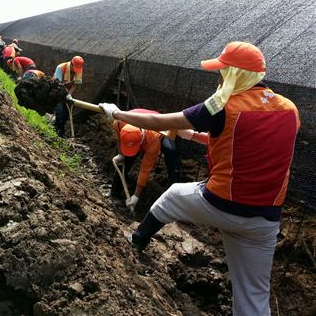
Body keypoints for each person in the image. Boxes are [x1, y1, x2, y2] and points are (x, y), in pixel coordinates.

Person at [99, 41, 300, 316]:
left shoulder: (222, 106)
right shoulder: (289, 110)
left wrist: (118, 113)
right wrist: (194, 136)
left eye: (222, 72)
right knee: (253, 297)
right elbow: (242, 143)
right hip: (264, 220)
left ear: (234, 75)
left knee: (171, 196)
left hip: (222, 203)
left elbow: (162, 122)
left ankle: (137, 239)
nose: (219, 77)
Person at [110, 109, 181, 209]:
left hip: (160, 126)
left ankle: (175, 195)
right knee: (126, 160)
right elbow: (118, 137)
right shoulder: (118, 123)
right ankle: (114, 193)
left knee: (171, 151)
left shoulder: (153, 141)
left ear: (141, 140)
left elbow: (145, 169)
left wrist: (136, 196)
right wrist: (121, 153)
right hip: (137, 119)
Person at [53, 56, 84, 137]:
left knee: (66, 113)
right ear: (71, 64)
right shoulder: (60, 68)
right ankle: (58, 132)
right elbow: (57, 84)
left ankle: (61, 131)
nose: (75, 71)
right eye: (75, 69)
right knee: (60, 110)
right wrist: (64, 93)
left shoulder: (79, 69)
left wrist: (69, 94)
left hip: (67, 92)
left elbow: (75, 85)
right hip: (57, 90)